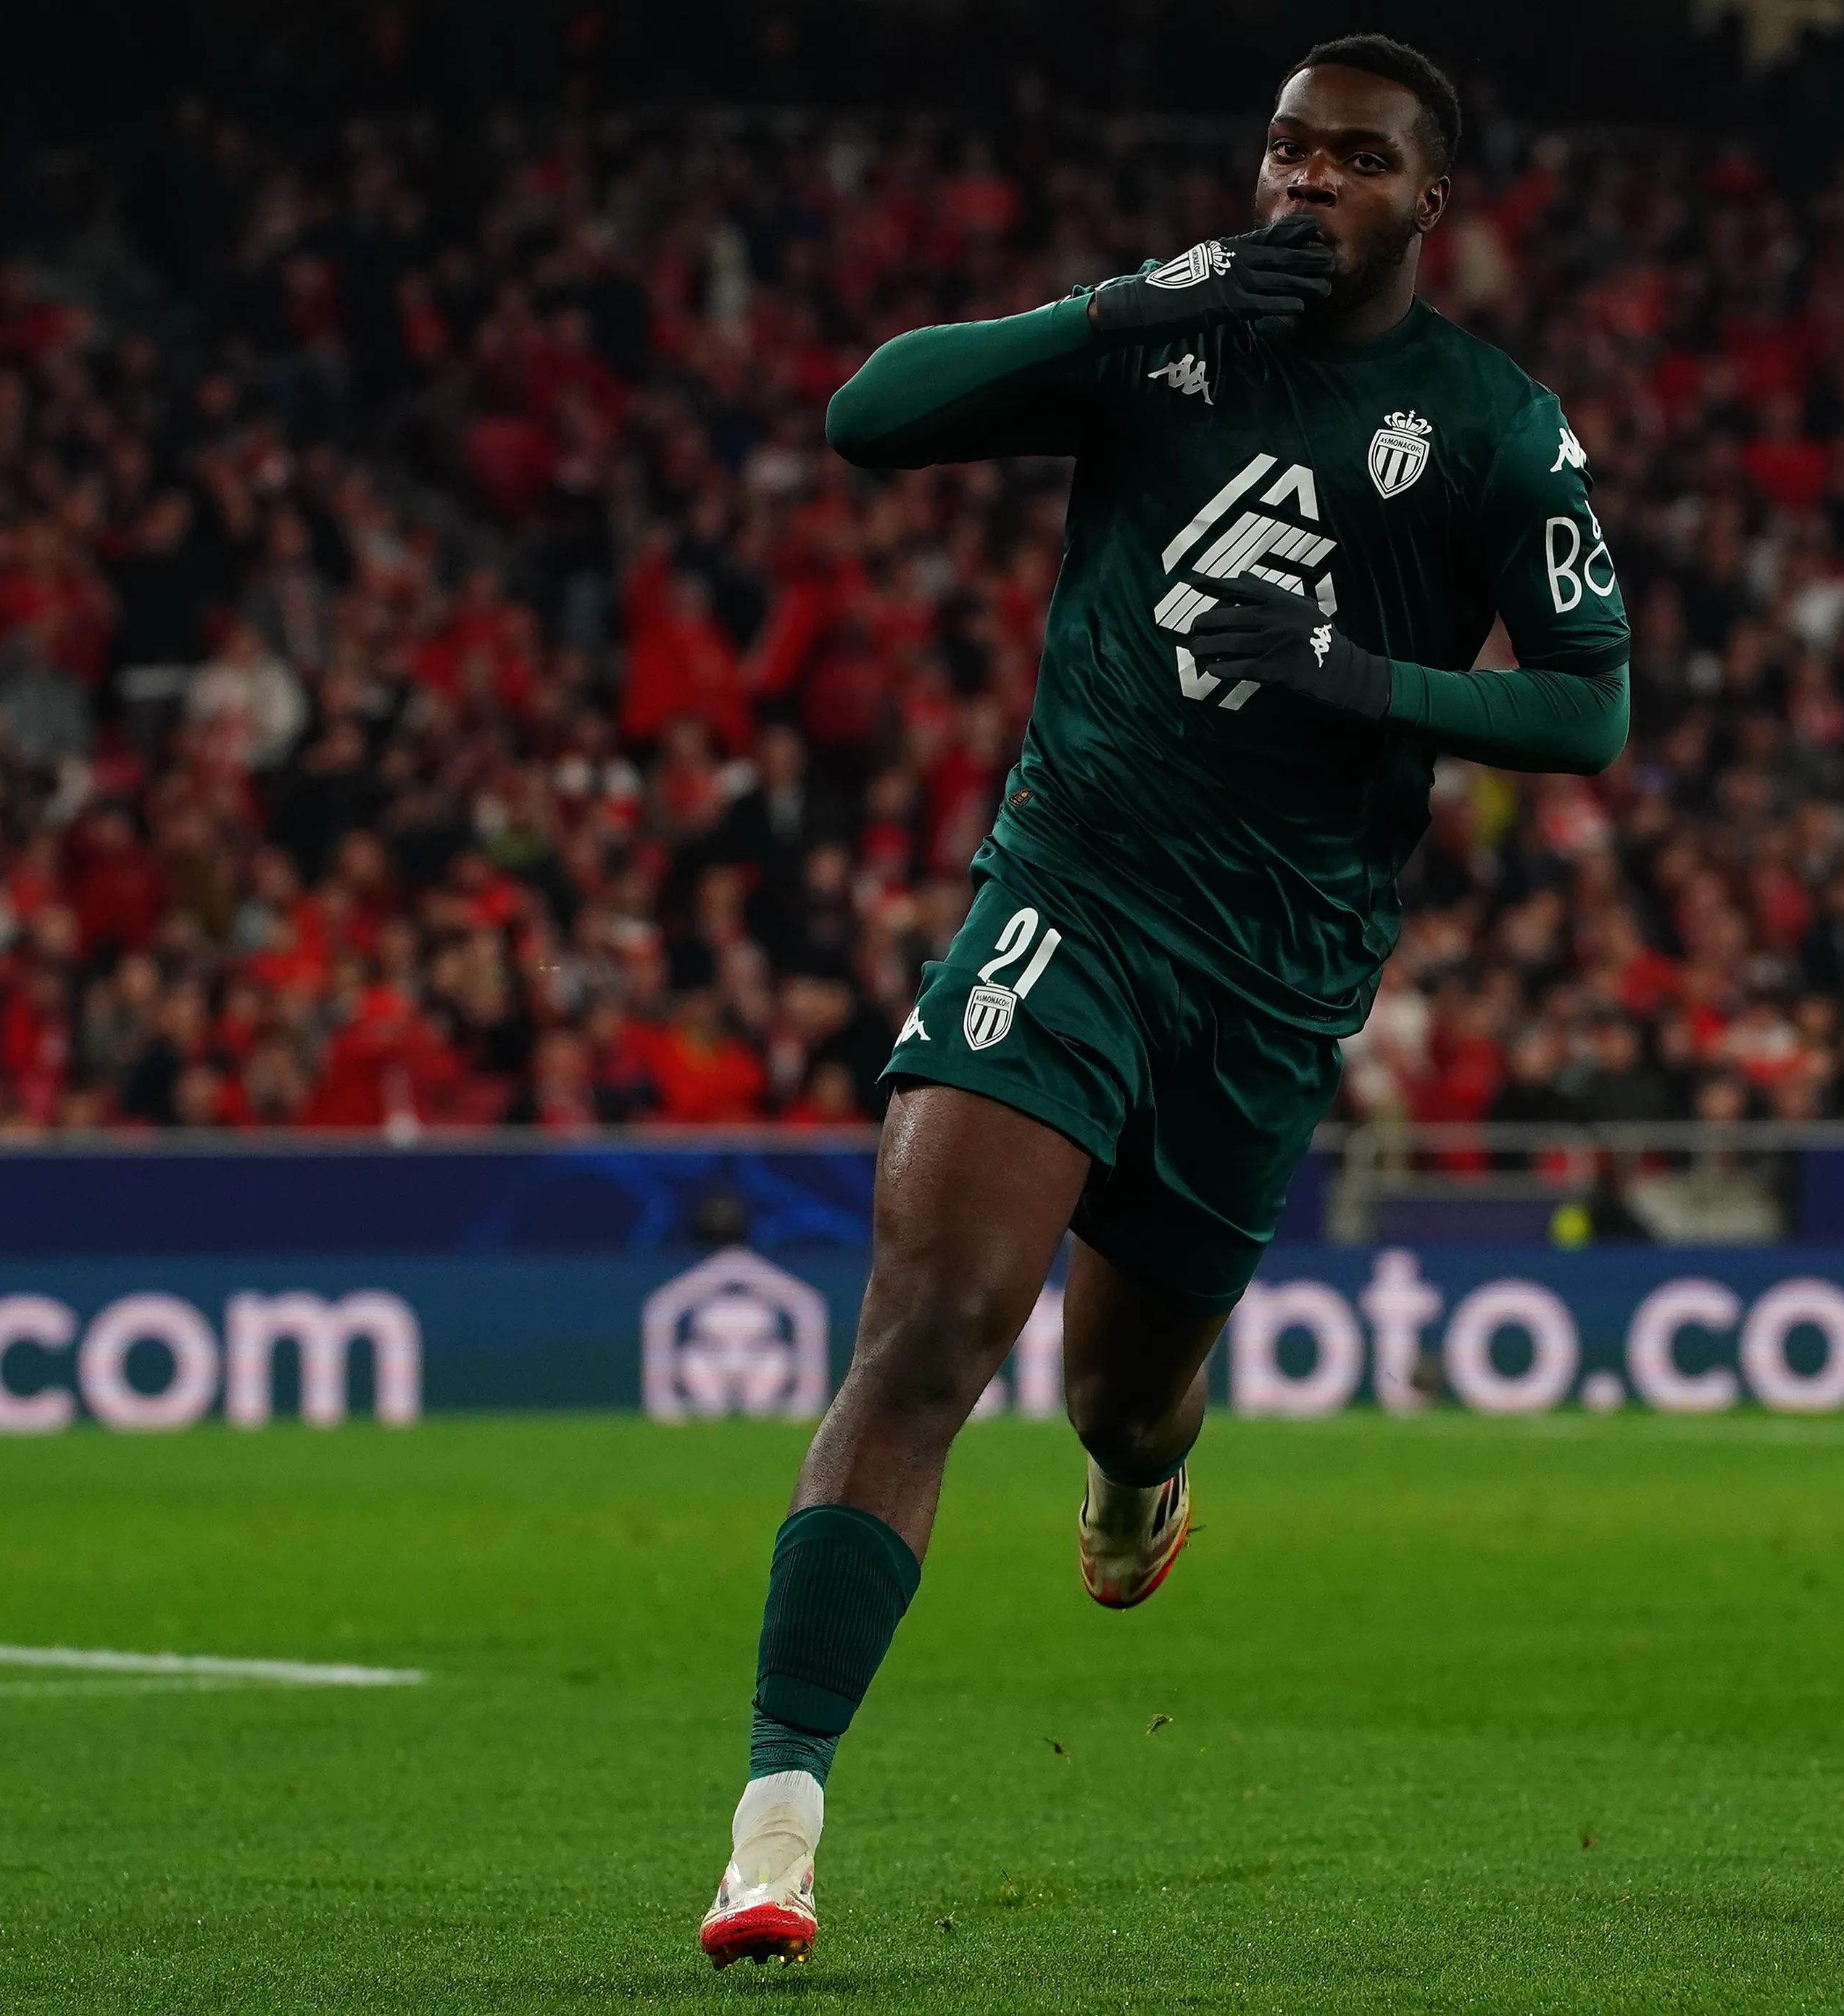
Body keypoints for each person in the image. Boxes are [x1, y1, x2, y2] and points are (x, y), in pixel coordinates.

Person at [697, 36, 1631, 1969]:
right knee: (930, 1317)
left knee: (1118, 1391)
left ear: (1428, 203)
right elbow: (870, 415)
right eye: (1286, 150)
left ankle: (1140, 1477)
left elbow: (1586, 703)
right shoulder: (1166, 341)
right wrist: (1146, 293)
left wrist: (1362, 679)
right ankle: (772, 1828)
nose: (1308, 184)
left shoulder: (1487, 425)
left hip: (1274, 972)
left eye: (1355, 159)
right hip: (1075, 892)